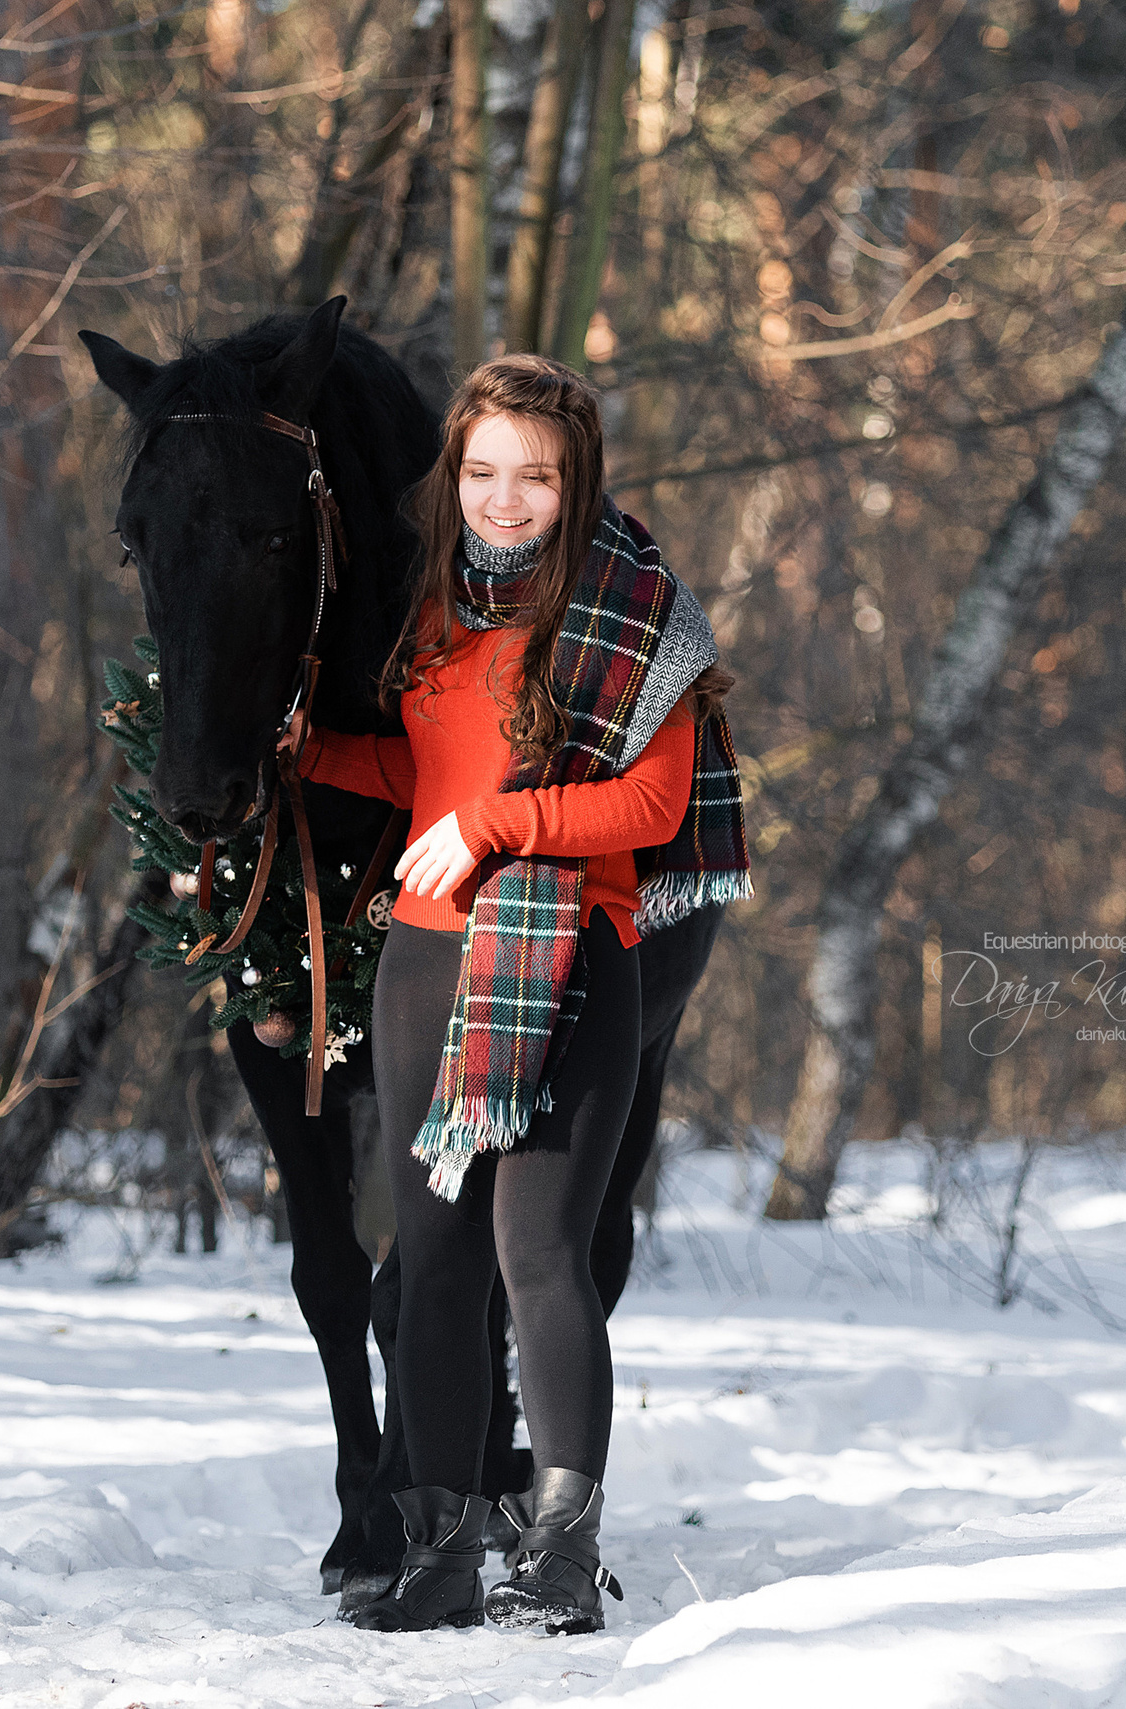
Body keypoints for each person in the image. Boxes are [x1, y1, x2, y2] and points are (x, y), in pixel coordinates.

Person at [298, 355, 751, 1634]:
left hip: (573, 956)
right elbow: (429, 771)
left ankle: (555, 1556)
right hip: (425, 958)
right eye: (483, 470)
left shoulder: (637, 612)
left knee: (538, 1252)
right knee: (432, 1259)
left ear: (576, 481)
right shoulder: (435, 610)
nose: (504, 498)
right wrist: (318, 752)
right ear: (454, 473)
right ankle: (439, 1553)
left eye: (535, 476)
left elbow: (649, 804)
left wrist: (497, 826)